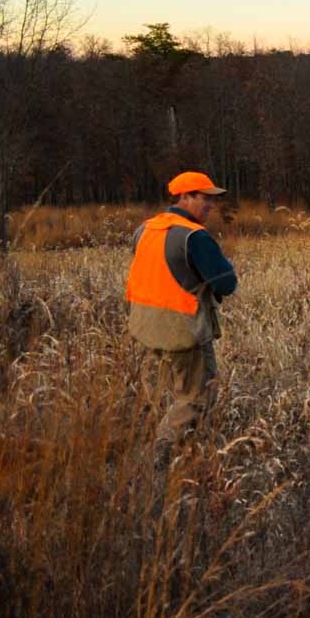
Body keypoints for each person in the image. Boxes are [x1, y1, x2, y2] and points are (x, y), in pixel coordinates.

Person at [126, 171, 239, 467]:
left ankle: (184, 456)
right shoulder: (194, 236)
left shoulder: (145, 229)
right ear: (185, 197)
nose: (211, 206)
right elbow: (227, 283)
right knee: (197, 397)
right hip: (183, 330)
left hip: (146, 328)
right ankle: (158, 459)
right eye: (205, 198)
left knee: (166, 396)